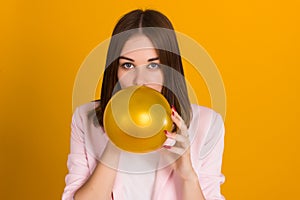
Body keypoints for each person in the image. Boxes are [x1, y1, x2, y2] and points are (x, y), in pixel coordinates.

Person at [62, 9, 225, 200]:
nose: (139, 80)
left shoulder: (208, 123)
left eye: (153, 65)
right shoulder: (85, 118)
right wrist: (116, 141)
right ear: (115, 70)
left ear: (169, 70)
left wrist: (187, 175)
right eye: (128, 65)